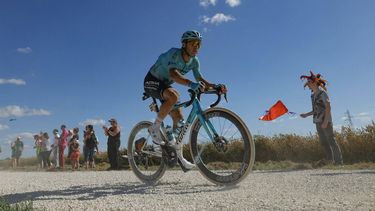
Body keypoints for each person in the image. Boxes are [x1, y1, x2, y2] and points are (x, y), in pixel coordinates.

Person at [143, 30, 227, 169]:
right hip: (152, 80)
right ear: (184, 44)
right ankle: (154, 127)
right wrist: (190, 84)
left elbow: (200, 80)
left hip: (165, 86)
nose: (196, 47)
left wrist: (215, 86)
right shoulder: (174, 54)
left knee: (179, 120)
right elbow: (174, 74)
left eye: (199, 44)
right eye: (193, 43)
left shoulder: (194, 61)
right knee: (174, 95)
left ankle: (178, 157)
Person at [300, 71, 343, 165]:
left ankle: (339, 162)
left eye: (309, 83)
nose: (308, 85)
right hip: (317, 121)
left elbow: (328, 106)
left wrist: (326, 121)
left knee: (331, 141)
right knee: (324, 143)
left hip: (325, 121)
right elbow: (315, 110)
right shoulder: (312, 96)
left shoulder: (322, 93)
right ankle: (330, 161)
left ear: (315, 82)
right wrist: (306, 114)